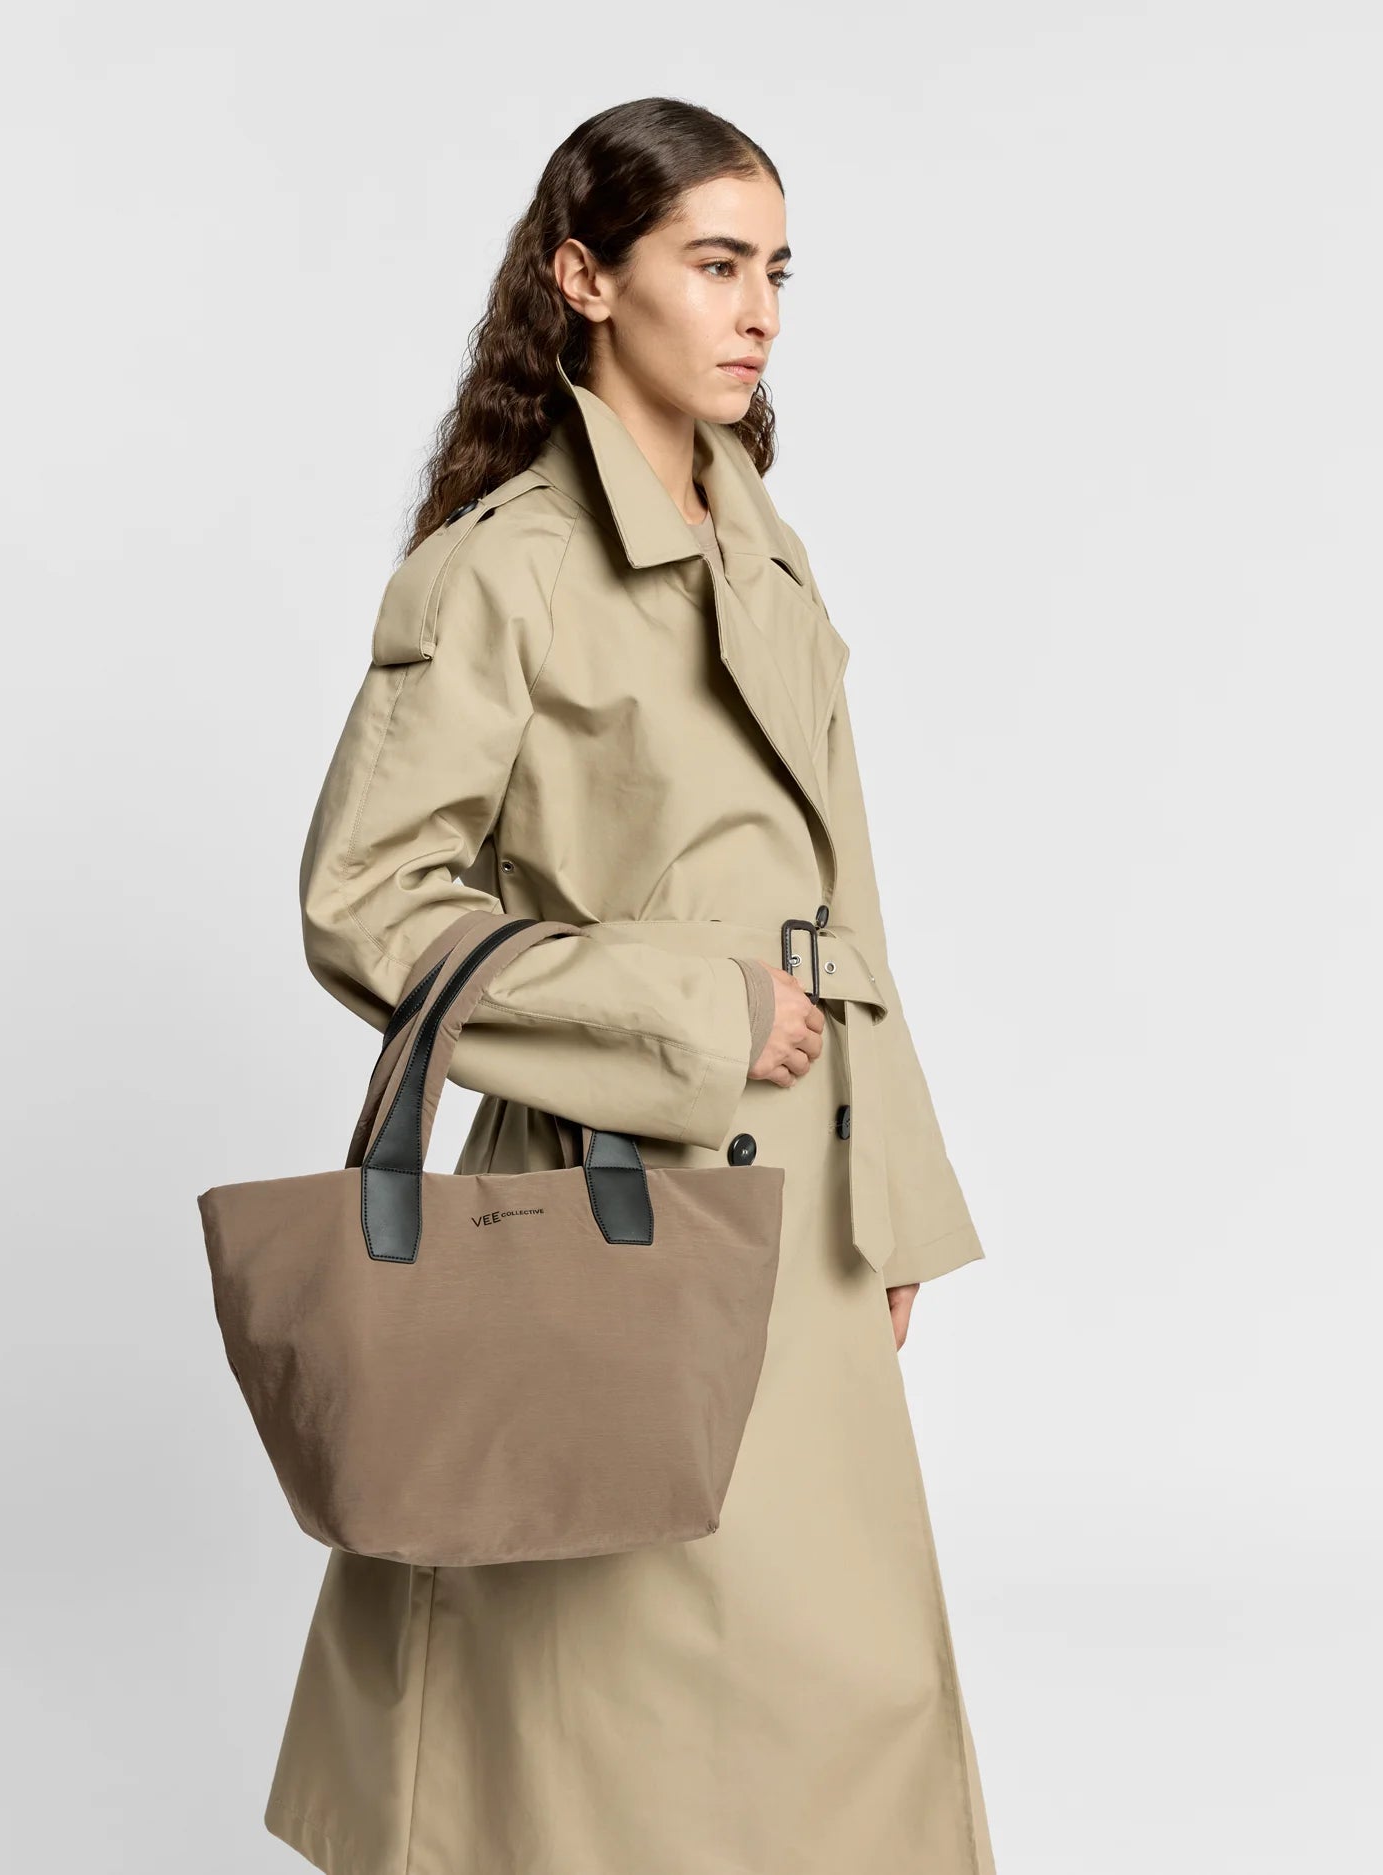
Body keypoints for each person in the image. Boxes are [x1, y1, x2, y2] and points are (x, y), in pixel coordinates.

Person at [266, 95, 996, 1875]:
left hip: (803, 1198)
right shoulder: (501, 570)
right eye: (714, 264)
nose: (757, 311)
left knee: (846, 1704)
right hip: (618, 1196)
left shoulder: (763, 535)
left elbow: (845, 891)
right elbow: (365, 901)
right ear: (585, 280)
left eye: (777, 273)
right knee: (603, 1699)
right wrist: (692, 1013)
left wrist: (889, 1190)